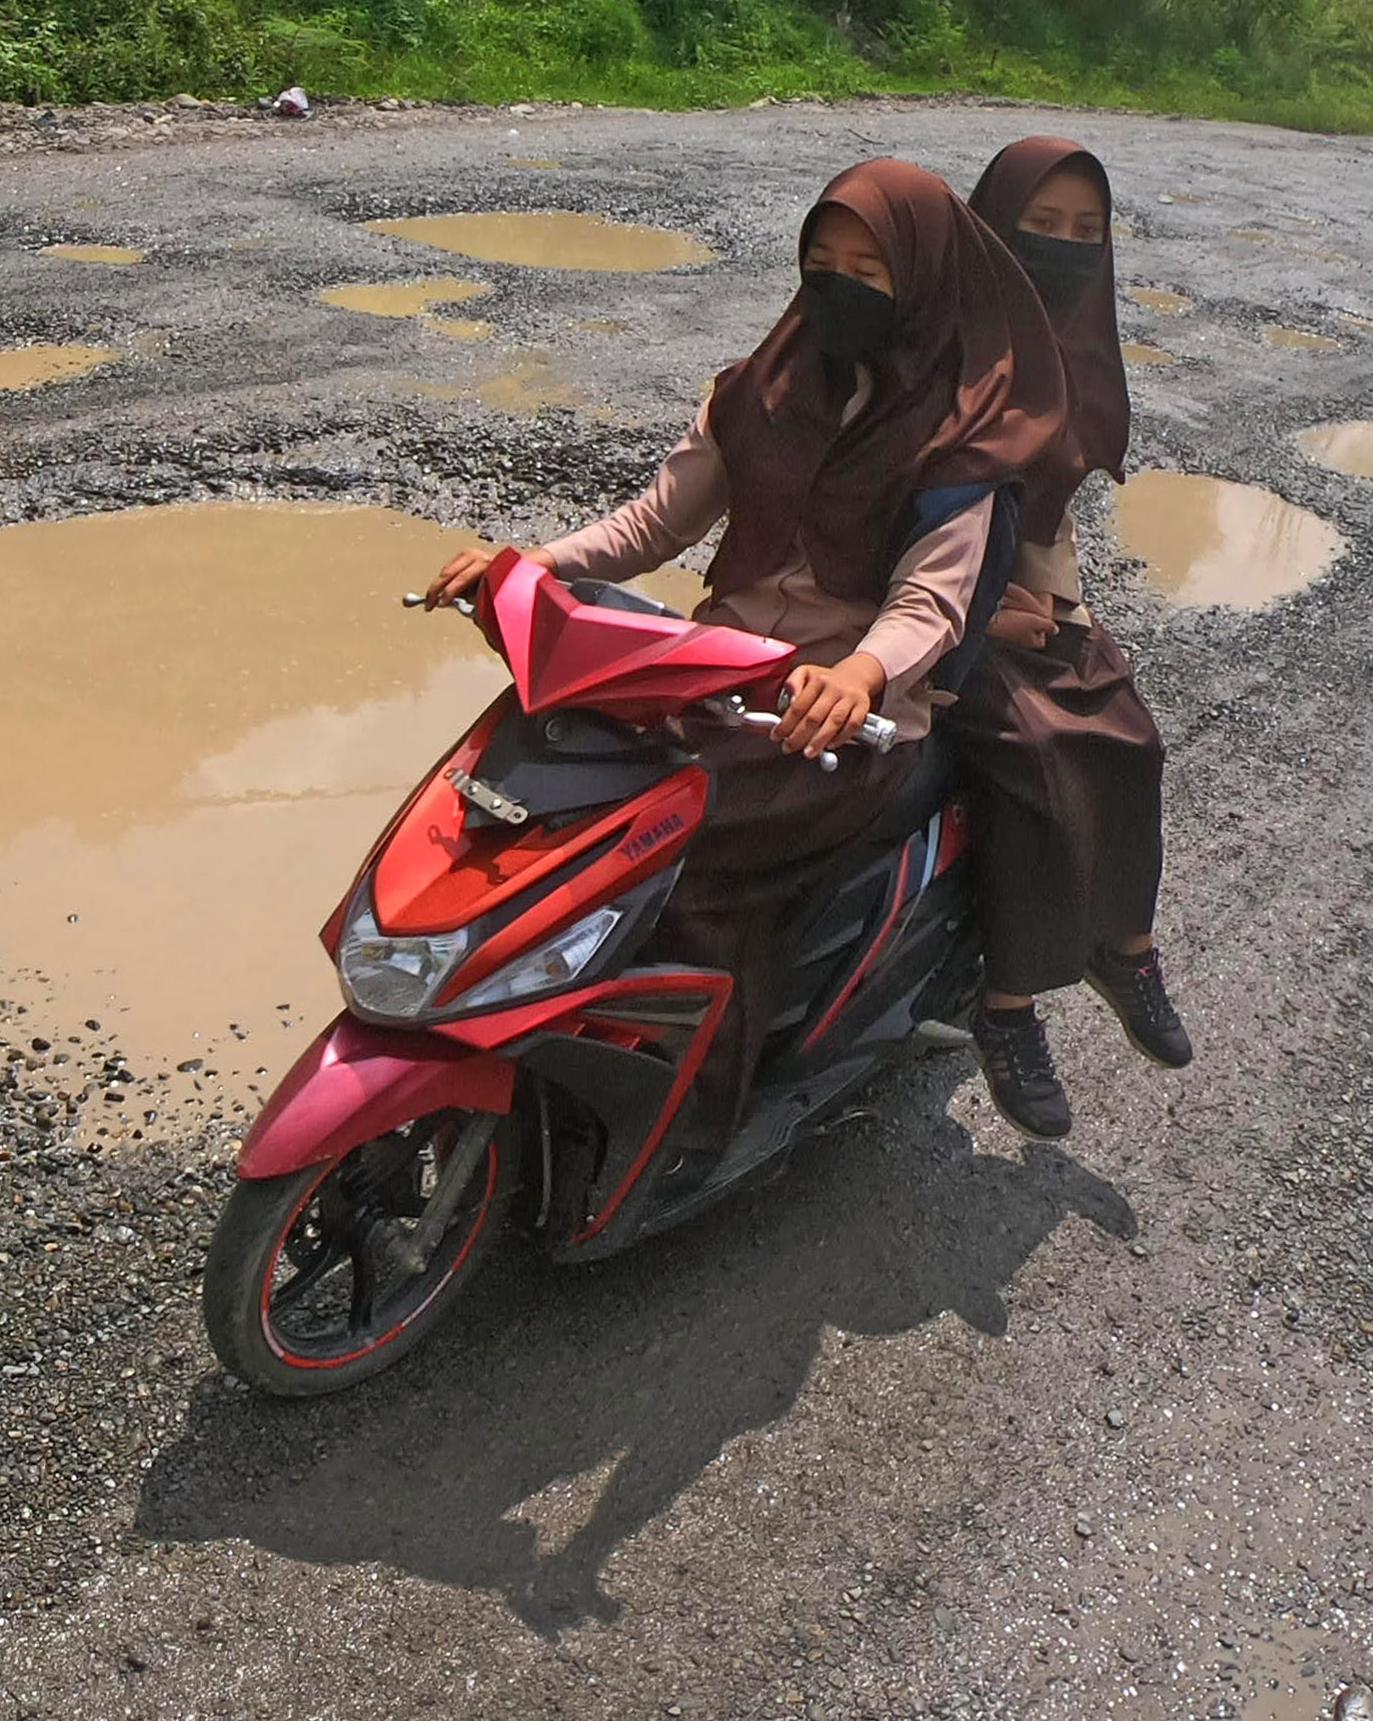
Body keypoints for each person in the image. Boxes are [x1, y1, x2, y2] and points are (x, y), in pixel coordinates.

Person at [424, 158, 1068, 1151]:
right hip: (712, 672)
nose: (839, 286)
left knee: (683, 859)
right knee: (553, 789)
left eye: (871, 268)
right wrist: (529, 563)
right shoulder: (756, 389)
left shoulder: (960, 439)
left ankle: (692, 1115)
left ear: (927, 279)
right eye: (822, 260)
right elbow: (653, 523)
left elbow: (930, 602)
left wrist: (857, 675)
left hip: (843, 722)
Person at [950, 135, 1191, 1139]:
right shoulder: (942, 339)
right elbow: (893, 510)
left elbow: (1048, 518)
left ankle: (1123, 945)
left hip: (1021, 595)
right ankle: (1005, 1006)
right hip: (934, 603)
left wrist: (1071, 621)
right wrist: (981, 609)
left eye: (1084, 232)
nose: (1060, 248)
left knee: (1131, 733)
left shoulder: (1076, 355)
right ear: (991, 228)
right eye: (1038, 227)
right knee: (1036, 756)